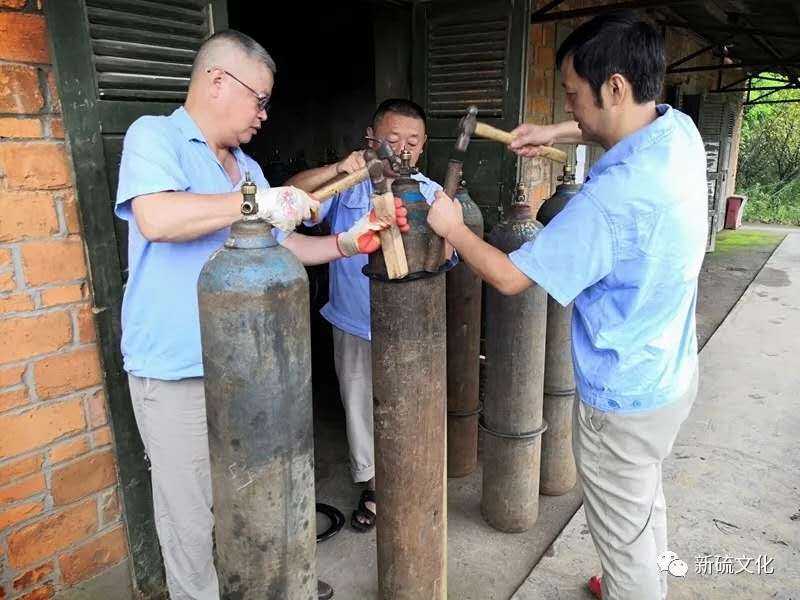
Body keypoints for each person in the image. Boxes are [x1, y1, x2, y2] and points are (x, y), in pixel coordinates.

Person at [115, 30, 406, 600]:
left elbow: (283, 245)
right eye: (260, 99)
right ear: (217, 81)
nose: (264, 115)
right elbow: (158, 218)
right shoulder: (155, 137)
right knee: (191, 522)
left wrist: (347, 243)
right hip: (176, 371)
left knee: (249, 497)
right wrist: (260, 202)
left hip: (243, 372)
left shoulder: (243, 165)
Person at [427, 11, 706, 600]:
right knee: (642, 503)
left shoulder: (609, 202)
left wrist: (453, 228)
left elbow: (508, 277)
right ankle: (643, 575)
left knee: (625, 541)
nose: (571, 107)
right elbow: (610, 129)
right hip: (670, 375)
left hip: (621, 397)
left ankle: (636, 587)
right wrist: (554, 132)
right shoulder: (677, 133)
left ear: (615, 87)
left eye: (574, 96)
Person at [287, 99, 444, 531]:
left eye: (413, 142)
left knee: (410, 408)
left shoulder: (431, 193)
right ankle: (375, 487)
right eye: (392, 140)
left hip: (411, 332)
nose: (402, 150)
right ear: (371, 140)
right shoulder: (350, 188)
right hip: (354, 322)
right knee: (360, 408)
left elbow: (448, 254)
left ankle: (411, 480)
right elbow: (291, 200)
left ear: (424, 146)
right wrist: (340, 170)